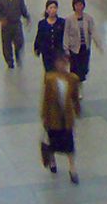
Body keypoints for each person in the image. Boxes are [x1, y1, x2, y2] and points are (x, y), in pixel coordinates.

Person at [40, 52, 82, 184]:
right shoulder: (50, 78)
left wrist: (77, 109)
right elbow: (46, 99)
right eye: (60, 62)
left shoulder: (73, 79)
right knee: (53, 140)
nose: (62, 65)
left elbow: (75, 96)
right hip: (53, 117)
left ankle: (72, 168)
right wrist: (44, 115)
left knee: (70, 143)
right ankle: (52, 160)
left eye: (64, 62)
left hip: (67, 117)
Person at [0, 0, 30, 69]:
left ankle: (17, 54)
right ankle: (9, 61)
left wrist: (27, 16)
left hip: (16, 23)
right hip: (6, 25)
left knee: (19, 42)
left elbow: (23, 9)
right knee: (6, 44)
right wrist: (1, 19)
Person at [62, 0, 100, 82]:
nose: (79, 7)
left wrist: (97, 42)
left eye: (81, 4)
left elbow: (93, 30)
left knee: (84, 69)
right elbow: (66, 34)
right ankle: (75, 86)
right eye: (77, 5)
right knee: (75, 69)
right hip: (74, 48)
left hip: (84, 47)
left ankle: (80, 83)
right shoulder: (69, 19)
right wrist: (66, 48)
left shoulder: (88, 18)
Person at [34, 0, 67, 73]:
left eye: (55, 7)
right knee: (49, 71)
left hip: (58, 52)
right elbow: (39, 36)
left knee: (58, 71)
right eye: (51, 8)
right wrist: (37, 48)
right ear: (46, 10)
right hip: (47, 52)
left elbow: (66, 36)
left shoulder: (62, 22)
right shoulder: (42, 23)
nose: (53, 10)